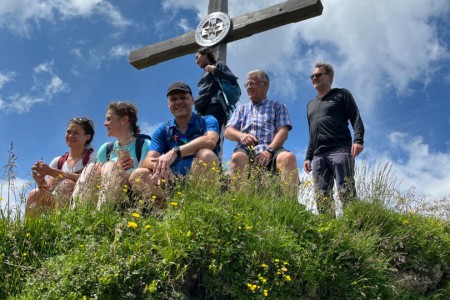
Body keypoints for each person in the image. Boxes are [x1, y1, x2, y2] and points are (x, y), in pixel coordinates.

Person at [130, 81, 220, 201]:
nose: (178, 102)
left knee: (206, 154)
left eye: (183, 97)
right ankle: (171, 211)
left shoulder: (207, 120)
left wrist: (175, 152)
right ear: (168, 104)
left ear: (192, 100)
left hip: (199, 178)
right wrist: (163, 166)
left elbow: (210, 140)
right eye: (173, 99)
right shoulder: (163, 130)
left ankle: (204, 205)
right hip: (171, 179)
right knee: (138, 175)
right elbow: (147, 161)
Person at [224, 70, 300, 197]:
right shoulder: (241, 109)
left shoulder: (278, 106)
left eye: (252, 83)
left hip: (273, 148)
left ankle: (291, 205)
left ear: (265, 85)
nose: (248, 87)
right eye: (246, 85)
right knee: (237, 157)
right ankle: (238, 202)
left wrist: (269, 151)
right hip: (247, 149)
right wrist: (241, 136)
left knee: (288, 158)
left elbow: (283, 132)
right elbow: (227, 131)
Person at [303, 62, 365, 216]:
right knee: (321, 195)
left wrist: (358, 140)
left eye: (318, 75)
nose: (314, 78)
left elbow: (355, 118)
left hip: (340, 149)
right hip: (318, 156)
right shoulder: (310, 105)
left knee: (346, 190)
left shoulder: (341, 94)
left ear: (329, 77)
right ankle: (329, 230)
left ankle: (355, 225)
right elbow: (312, 132)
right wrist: (308, 156)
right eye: (312, 76)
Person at [72, 101, 151, 209]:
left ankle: (104, 217)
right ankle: (77, 215)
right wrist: (117, 165)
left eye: (109, 119)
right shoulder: (106, 148)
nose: (105, 123)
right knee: (91, 167)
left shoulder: (144, 144)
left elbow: (139, 177)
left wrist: (117, 169)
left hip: (131, 197)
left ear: (124, 120)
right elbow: (96, 177)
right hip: (104, 192)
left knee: (111, 166)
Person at [26, 117, 96, 217]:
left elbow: (89, 181)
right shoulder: (58, 161)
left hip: (84, 201)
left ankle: (62, 228)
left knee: (66, 185)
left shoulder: (93, 156)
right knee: (34, 194)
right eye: (68, 132)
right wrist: (40, 180)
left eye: (76, 133)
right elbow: (48, 188)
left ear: (87, 137)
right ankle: (29, 231)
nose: (71, 135)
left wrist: (51, 172)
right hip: (57, 202)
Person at [194, 47, 239, 158]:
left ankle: (213, 165)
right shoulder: (204, 72)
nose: (196, 61)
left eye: (197, 57)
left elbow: (233, 79)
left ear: (205, 54)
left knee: (212, 136)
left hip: (215, 105)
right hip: (202, 108)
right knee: (200, 137)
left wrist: (215, 70)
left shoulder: (218, 65)